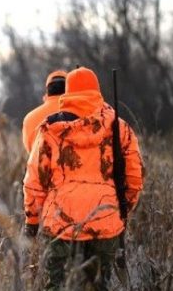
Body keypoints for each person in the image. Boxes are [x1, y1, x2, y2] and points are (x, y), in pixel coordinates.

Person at [23, 67, 144, 290]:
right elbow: (135, 177)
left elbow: (34, 181)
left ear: (67, 92)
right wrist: (123, 209)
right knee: (98, 286)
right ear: (97, 91)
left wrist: (31, 221)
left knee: (55, 286)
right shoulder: (120, 128)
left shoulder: (50, 129)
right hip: (105, 220)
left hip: (60, 222)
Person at [22, 70, 67, 153]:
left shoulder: (29, 118)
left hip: (40, 165)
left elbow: (30, 151)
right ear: (69, 89)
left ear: (47, 91)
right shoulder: (82, 113)